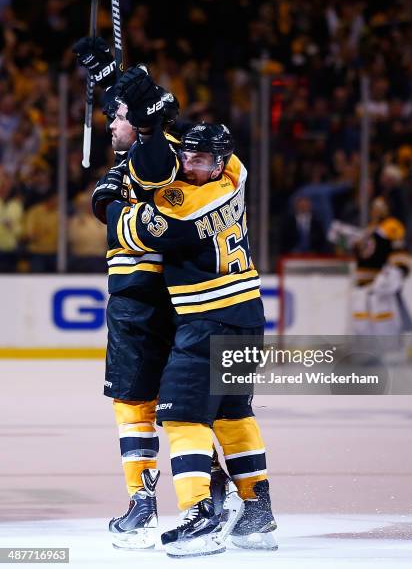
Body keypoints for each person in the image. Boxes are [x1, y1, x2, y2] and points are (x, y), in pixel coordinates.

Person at [94, 65, 277, 557]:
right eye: (188, 155)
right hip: (242, 314)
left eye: (199, 159)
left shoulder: (183, 201)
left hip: (204, 320)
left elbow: (133, 226)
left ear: (216, 162)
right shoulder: (234, 172)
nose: (189, 163)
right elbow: (165, 153)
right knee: (233, 409)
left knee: (178, 416)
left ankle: (198, 515)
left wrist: (116, 204)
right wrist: (131, 94)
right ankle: (257, 509)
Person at [74, 39, 234, 551]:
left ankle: (195, 497)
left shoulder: (161, 155)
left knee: (163, 405)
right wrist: (113, 85)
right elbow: (140, 146)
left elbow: (160, 148)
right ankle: (155, 501)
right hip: (144, 302)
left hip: (156, 300)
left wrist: (143, 110)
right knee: (143, 404)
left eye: (116, 116)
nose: (110, 122)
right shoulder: (124, 169)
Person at [350, 197, 412, 336]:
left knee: (382, 316)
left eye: (381, 206)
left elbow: (399, 248)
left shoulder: (391, 225)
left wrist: (396, 271)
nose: (376, 210)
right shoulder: (369, 229)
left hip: (380, 282)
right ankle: (367, 351)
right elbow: (363, 253)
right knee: (360, 319)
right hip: (362, 283)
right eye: (374, 206)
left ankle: (390, 350)